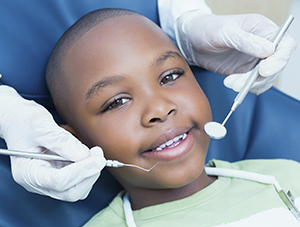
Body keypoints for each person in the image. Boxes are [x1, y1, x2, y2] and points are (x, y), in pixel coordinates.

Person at [0, 0, 296, 201]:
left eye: (170, 76)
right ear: (73, 141)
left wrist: (184, 15)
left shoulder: (287, 177)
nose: (159, 109)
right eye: (116, 101)